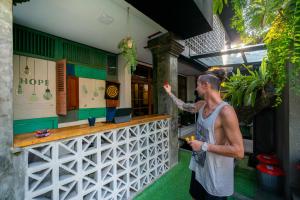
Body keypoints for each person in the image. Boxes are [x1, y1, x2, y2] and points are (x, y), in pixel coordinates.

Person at [163, 69, 244, 200]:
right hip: (199, 169)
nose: (196, 88)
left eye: (197, 84)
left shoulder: (225, 111)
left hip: (215, 176)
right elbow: (183, 106)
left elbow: (239, 151)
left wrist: (203, 146)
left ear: (206, 85)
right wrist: (169, 93)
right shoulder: (201, 105)